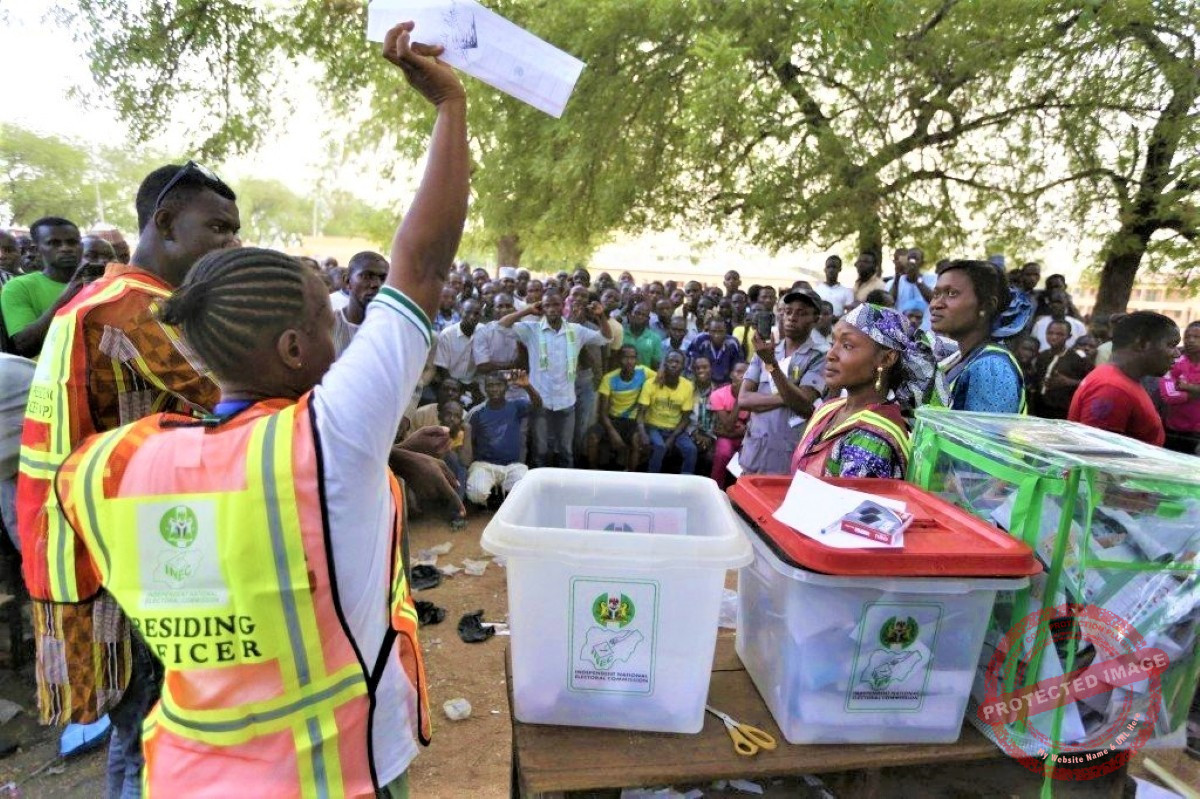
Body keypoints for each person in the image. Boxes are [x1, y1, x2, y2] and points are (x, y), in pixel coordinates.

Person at [52, 24, 464, 794]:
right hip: (328, 777)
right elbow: (425, 265)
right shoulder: (326, 441)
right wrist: (450, 105)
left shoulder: (107, 468)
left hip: (184, 772)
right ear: (292, 350)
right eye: (326, 320)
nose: (342, 333)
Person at [17, 168, 240, 795]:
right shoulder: (134, 309)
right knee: (154, 726)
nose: (230, 244)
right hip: (128, 553)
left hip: (114, 538)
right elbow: (231, 390)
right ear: (165, 224)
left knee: (137, 727)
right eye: (218, 228)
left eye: (235, 231)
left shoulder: (107, 299)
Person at [791, 304, 935, 478]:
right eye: (833, 342)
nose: (830, 354)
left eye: (847, 346)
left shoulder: (872, 440)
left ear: (887, 358)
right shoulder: (828, 409)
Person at [499, 293, 611, 467]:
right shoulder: (532, 329)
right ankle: (542, 490)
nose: (552, 309)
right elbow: (501, 326)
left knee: (566, 451)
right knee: (540, 451)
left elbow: (605, 338)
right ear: (542, 308)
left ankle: (566, 489)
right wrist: (527, 310)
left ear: (562, 306)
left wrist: (601, 316)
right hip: (540, 402)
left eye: (556, 304)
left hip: (566, 402)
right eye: (547, 305)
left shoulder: (576, 330)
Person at [738, 291, 827, 475]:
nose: (792, 318)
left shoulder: (820, 356)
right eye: (788, 311)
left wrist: (771, 365)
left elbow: (803, 404)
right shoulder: (766, 351)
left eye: (801, 313)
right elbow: (744, 399)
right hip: (755, 453)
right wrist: (786, 398)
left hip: (787, 459)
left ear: (815, 318)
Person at [928, 259, 1032, 413]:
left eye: (952, 293)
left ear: (987, 306)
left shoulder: (992, 368)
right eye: (936, 294)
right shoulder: (959, 357)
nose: (935, 304)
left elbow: (985, 436)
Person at [1069, 312, 1179, 446]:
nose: (1177, 354)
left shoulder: (1122, 380)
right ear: (1142, 344)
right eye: (1171, 345)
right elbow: (1097, 458)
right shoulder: (1112, 388)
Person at [2, 217, 87, 357]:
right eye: (54, 243)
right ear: (37, 249)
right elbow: (25, 345)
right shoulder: (17, 287)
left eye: (72, 242)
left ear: (81, 246)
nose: (65, 248)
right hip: (45, 377)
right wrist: (67, 298)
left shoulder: (103, 284)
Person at [467, 371, 540, 507]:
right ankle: (489, 500)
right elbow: (470, 441)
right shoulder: (477, 412)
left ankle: (504, 500)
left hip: (512, 466)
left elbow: (538, 405)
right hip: (485, 465)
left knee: (524, 491)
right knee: (476, 493)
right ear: (485, 388)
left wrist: (527, 386)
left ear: (506, 387)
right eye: (490, 385)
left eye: (498, 385)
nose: (494, 389)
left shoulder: (516, 406)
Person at [588, 344, 653, 470]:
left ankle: (631, 475)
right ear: (619, 359)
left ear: (636, 360)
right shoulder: (609, 378)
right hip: (613, 419)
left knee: (636, 440)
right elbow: (602, 413)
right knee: (592, 437)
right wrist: (612, 432)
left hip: (633, 421)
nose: (629, 361)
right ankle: (593, 472)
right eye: (625, 357)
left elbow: (661, 376)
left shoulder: (644, 372)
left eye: (633, 358)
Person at [637, 351, 696, 474]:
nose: (674, 365)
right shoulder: (651, 383)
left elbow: (685, 418)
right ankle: (651, 480)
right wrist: (642, 433)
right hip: (654, 426)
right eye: (670, 361)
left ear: (683, 366)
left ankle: (685, 482)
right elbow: (641, 413)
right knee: (659, 447)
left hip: (675, 429)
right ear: (664, 364)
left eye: (677, 362)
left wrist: (673, 437)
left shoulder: (688, 386)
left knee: (691, 449)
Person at [1033, 323, 1095, 419]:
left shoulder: (1077, 359)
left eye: (1059, 334)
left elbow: (1092, 383)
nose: (1054, 337)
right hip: (1039, 409)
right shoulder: (1042, 356)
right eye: (1050, 333)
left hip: (1061, 413)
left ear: (1069, 336)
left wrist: (1069, 382)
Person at [332, 250, 388, 357]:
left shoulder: (394, 330)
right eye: (367, 276)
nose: (376, 284)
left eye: (383, 278)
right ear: (347, 281)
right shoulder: (328, 327)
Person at [1161, 320, 1200, 454]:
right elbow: (1169, 395)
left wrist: (1186, 387)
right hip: (1173, 430)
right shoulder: (1174, 361)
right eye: (1187, 337)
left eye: (1196, 337)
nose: (1190, 340)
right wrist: (1195, 392)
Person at [709, 361, 749, 487]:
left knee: (750, 458)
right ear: (731, 375)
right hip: (727, 435)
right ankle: (716, 487)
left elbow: (752, 424)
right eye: (738, 372)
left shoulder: (755, 395)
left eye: (746, 373)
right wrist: (739, 398)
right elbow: (727, 425)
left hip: (746, 437)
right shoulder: (718, 395)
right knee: (723, 453)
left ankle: (742, 493)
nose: (742, 376)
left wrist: (745, 431)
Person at [434, 298, 482, 402]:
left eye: (476, 313)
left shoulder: (483, 332)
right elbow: (443, 370)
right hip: (450, 382)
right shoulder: (447, 335)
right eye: (468, 312)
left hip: (472, 383)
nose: (472, 317)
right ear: (460, 312)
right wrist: (460, 391)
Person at [687, 316, 743, 385]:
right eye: (713, 331)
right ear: (709, 331)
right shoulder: (699, 340)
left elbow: (738, 366)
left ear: (726, 331)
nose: (717, 335)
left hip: (726, 384)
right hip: (703, 383)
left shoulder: (733, 343)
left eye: (720, 331)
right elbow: (690, 366)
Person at [888, 248, 935, 327]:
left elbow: (933, 300)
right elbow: (889, 301)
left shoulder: (932, 279)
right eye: (909, 258)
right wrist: (897, 275)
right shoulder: (896, 281)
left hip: (927, 331)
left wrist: (917, 279)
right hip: (902, 331)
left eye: (915, 259)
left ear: (922, 263)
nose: (911, 262)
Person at [622, 301, 662, 369]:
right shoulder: (621, 333)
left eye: (644, 315)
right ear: (630, 315)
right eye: (637, 313)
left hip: (645, 377)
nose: (640, 317)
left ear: (648, 319)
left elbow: (655, 364)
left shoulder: (655, 338)